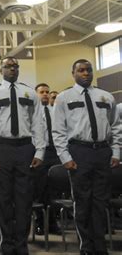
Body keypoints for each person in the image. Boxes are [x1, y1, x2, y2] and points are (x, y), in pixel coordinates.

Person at [52, 59, 121, 255]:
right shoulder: (64, 98)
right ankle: (87, 247)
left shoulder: (106, 96)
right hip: (79, 151)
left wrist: (116, 151)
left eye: (88, 70)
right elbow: (58, 130)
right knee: (82, 202)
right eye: (81, 70)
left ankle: (100, 246)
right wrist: (65, 157)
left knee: (101, 202)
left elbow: (115, 127)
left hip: (102, 151)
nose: (85, 73)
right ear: (73, 73)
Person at [0, 57, 45, 255]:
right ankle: (6, 245)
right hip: (2, 148)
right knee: (3, 200)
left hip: (25, 148)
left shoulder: (29, 93)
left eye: (15, 66)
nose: (12, 69)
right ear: (0, 70)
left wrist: (40, 150)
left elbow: (38, 123)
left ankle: (21, 245)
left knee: (24, 200)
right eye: (8, 66)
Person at [33, 83, 61, 235]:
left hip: (55, 152)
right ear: (36, 94)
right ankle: (40, 222)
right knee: (41, 191)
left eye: (47, 92)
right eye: (42, 92)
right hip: (40, 153)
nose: (45, 94)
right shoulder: (33, 112)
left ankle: (53, 224)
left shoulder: (55, 111)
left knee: (54, 191)